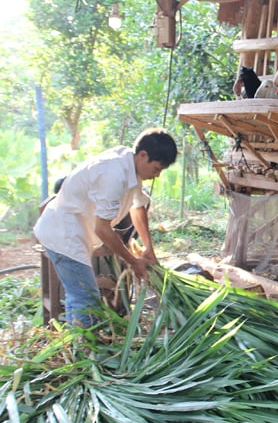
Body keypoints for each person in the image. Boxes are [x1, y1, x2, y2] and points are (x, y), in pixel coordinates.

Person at [34, 127, 178, 327]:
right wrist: (133, 261)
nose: (158, 175)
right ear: (143, 155)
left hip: (77, 232)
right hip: (64, 234)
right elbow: (102, 229)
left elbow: (138, 208)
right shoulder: (114, 174)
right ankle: (83, 351)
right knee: (86, 299)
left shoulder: (131, 165)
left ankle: (77, 345)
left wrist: (149, 249)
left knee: (79, 295)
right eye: (156, 169)